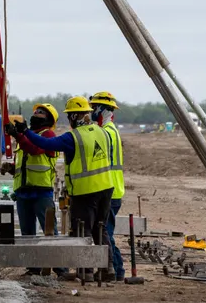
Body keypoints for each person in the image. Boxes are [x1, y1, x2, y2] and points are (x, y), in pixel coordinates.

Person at [19, 96, 115, 282]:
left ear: (74, 116)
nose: (69, 119)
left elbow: (47, 144)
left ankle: (85, 272)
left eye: (70, 115)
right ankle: (107, 269)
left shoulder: (74, 137)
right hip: (106, 187)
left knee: (83, 231)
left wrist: (26, 133)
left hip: (85, 190)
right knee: (100, 229)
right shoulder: (102, 132)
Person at [2, 103, 66, 277]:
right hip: (24, 191)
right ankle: (33, 268)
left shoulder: (48, 135)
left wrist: (18, 135)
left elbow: (35, 150)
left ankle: (61, 269)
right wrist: (11, 167)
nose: (36, 115)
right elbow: (25, 161)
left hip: (41, 191)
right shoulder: (27, 136)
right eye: (36, 112)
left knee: (50, 231)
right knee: (27, 233)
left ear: (49, 119)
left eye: (41, 113)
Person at [89, 91, 126, 281]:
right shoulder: (110, 130)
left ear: (103, 109)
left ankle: (116, 270)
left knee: (106, 233)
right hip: (113, 189)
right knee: (105, 232)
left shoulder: (107, 132)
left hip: (109, 191)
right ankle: (116, 269)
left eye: (94, 107)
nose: (92, 111)